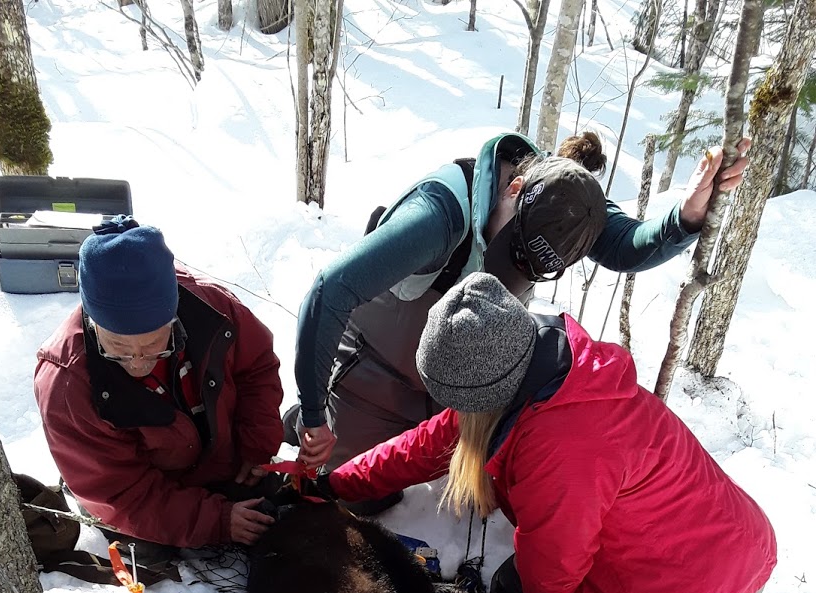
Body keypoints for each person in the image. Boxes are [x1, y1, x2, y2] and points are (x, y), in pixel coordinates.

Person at [321, 272, 780, 593]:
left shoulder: (562, 444)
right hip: (719, 549)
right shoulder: (537, 369)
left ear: (482, 391)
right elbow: (429, 441)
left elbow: (551, 581)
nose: (452, 410)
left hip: (698, 589)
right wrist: (337, 483)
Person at [290, 130, 750, 474]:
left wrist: (687, 216)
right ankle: (311, 411)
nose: (510, 270)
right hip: (376, 367)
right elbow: (329, 292)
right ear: (513, 190)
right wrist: (314, 416)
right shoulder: (437, 215)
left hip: (450, 385)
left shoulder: (567, 205)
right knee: (362, 492)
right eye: (512, 251)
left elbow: (625, 246)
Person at [34, 218, 284, 554]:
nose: (138, 363)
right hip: (142, 497)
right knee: (150, 547)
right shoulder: (65, 383)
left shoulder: (214, 310)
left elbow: (257, 369)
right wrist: (217, 520)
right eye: (118, 349)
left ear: (174, 316)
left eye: (155, 344)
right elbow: (120, 495)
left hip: (221, 461)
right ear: (93, 323)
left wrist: (257, 445)